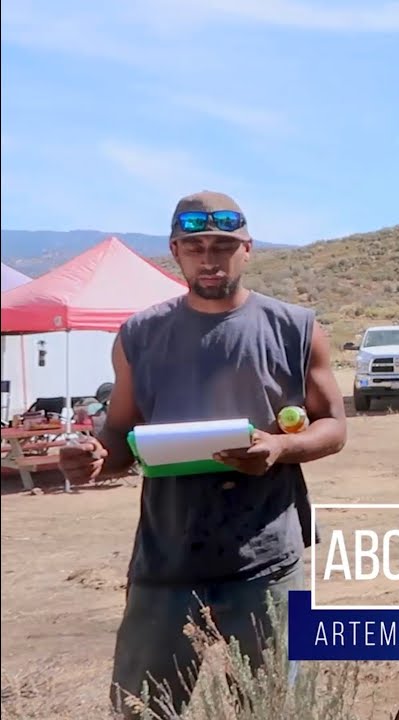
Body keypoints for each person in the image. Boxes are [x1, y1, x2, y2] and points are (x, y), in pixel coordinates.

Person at [58, 190, 348, 718]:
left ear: (247, 248)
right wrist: (97, 456)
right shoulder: (140, 335)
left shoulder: (294, 328)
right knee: (142, 709)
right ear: (175, 250)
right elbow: (120, 432)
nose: (209, 259)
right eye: (195, 247)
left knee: (271, 709)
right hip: (165, 560)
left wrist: (280, 447)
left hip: (265, 560)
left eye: (223, 245)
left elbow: (333, 427)